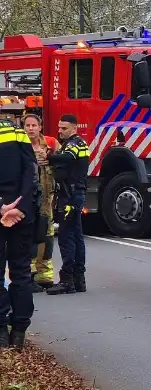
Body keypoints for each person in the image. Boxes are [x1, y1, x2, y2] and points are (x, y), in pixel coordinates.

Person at [0, 112, 38, 349]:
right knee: (22, 273)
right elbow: (31, 171)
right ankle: (19, 332)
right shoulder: (16, 131)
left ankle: (1, 332)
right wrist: (21, 207)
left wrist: (2, 207)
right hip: (22, 216)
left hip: (3, 210)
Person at [45, 114, 89, 295]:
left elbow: (67, 158)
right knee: (77, 236)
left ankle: (67, 280)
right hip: (75, 193)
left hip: (70, 195)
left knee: (66, 237)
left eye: (64, 128)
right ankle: (79, 279)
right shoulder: (80, 143)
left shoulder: (74, 144)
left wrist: (48, 156)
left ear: (74, 128)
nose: (60, 131)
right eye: (59, 127)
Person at [23, 114, 59, 292]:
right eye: (27, 125)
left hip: (46, 199)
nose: (30, 128)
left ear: (40, 127)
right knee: (30, 236)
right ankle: (28, 275)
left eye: (33, 125)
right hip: (27, 200)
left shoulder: (51, 144)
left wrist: (50, 158)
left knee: (47, 235)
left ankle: (44, 275)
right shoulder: (20, 145)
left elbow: (62, 164)